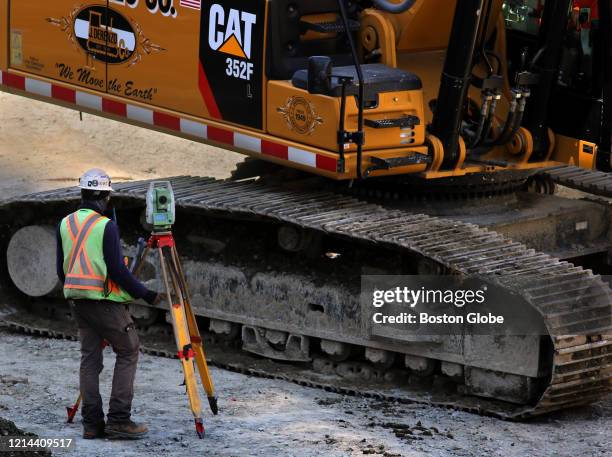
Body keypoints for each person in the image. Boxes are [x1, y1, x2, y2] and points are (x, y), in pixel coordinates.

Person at [56, 168, 158, 440]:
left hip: (78, 303)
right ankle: (119, 420)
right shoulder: (105, 226)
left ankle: (91, 424)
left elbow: (60, 270)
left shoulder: (65, 223)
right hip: (103, 303)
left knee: (89, 360)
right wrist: (146, 294)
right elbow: (117, 271)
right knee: (128, 350)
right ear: (103, 196)